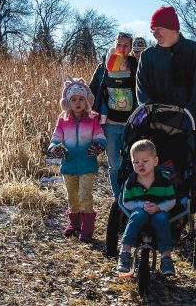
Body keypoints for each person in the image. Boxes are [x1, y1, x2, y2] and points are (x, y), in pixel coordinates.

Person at [136, 5, 196, 213]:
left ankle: (186, 208)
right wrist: (152, 114)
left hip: (190, 123)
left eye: (158, 27)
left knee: (192, 166)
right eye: (152, 29)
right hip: (155, 126)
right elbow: (142, 92)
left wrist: (187, 119)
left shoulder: (195, 51)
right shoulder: (148, 57)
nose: (154, 33)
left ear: (173, 27)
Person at [47, 77, 106, 242]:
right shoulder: (63, 121)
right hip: (69, 164)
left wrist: (99, 145)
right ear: (68, 103)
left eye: (81, 99)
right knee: (72, 195)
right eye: (73, 99)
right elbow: (56, 138)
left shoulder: (92, 119)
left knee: (84, 195)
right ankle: (75, 223)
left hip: (88, 164)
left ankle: (87, 227)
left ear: (87, 101)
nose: (78, 102)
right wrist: (54, 148)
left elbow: (100, 136)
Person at [89, 32, 138, 199]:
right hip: (109, 122)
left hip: (129, 124)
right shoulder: (104, 65)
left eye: (126, 45)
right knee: (114, 163)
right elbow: (92, 88)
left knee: (131, 161)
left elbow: (141, 90)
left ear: (131, 48)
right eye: (119, 44)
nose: (122, 48)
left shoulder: (135, 65)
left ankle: (129, 192)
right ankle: (117, 196)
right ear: (114, 44)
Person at [117, 139, 176, 276]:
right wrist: (141, 205)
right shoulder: (131, 181)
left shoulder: (164, 180)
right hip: (140, 209)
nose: (140, 165)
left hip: (159, 210)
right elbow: (127, 202)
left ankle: (166, 257)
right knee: (138, 215)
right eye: (136, 162)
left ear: (155, 162)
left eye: (145, 161)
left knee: (161, 218)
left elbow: (171, 200)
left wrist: (159, 207)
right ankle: (125, 252)